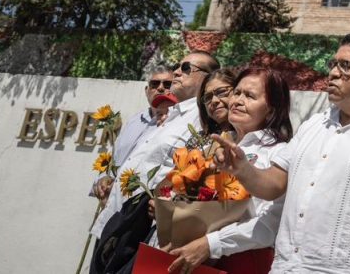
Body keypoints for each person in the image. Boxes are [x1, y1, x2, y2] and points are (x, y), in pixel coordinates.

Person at [212, 32, 350, 274]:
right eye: (333, 64)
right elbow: (274, 184)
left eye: (346, 66)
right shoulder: (313, 125)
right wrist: (242, 169)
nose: (334, 73)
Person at [91, 51, 220, 272]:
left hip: (138, 233)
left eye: (187, 68)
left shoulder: (203, 120)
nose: (177, 72)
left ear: (208, 78)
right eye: (178, 65)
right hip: (113, 222)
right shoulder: (167, 115)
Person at [168, 67, 294, 274]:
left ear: (271, 109)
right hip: (197, 256)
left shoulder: (280, 154)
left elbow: (271, 223)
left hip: (243, 261)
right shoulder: (218, 146)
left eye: (250, 96)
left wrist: (211, 244)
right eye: (237, 92)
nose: (237, 100)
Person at [91, 65, 175, 204]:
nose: (160, 88)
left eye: (167, 84)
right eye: (154, 84)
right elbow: (114, 158)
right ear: (147, 90)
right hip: (109, 202)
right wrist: (103, 179)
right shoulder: (134, 121)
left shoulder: (175, 123)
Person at [197, 67, 237, 136]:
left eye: (221, 92)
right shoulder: (200, 141)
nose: (214, 101)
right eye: (208, 97)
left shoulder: (255, 136)